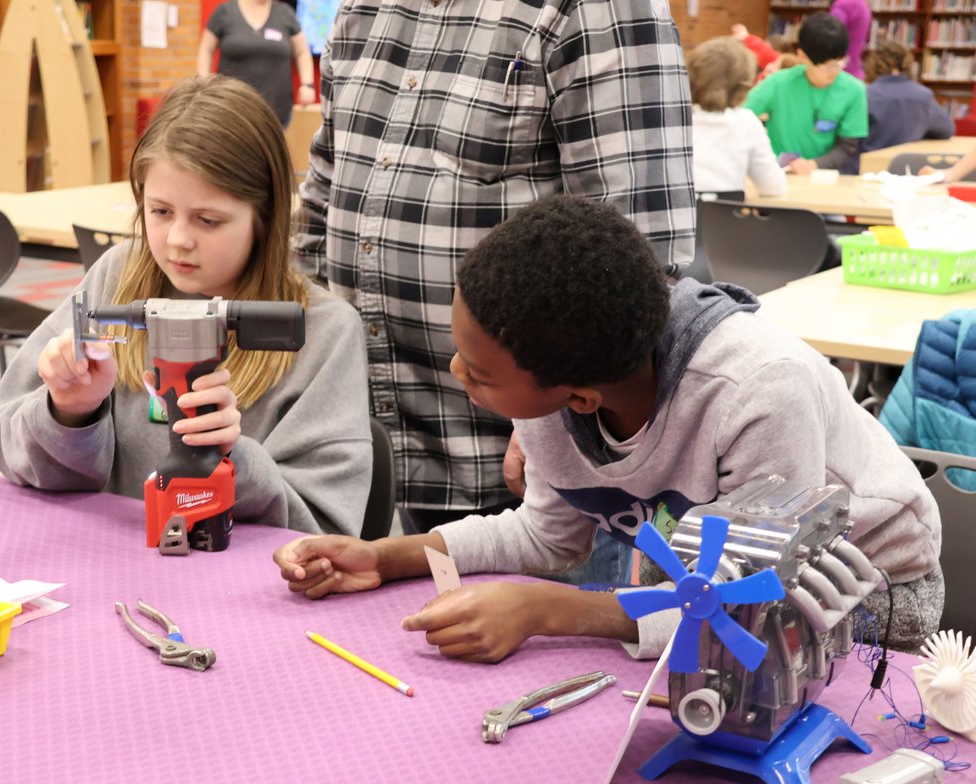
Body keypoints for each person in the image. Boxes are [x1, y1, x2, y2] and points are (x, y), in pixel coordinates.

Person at [274, 194, 943, 663]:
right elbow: (544, 535)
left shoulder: (757, 392)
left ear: (582, 397)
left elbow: (748, 606)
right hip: (708, 580)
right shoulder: (561, 387)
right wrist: (384, 558)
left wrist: (546, 613)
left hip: (870, 589)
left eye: (478, 371)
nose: (456, 371)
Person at [292, 0, 695, 548]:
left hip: (544, 461)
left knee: (576, 628)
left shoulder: (592, 8)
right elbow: (321, 202)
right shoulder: (364, 8)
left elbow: (639, 253)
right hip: (387, 429)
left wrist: (551, 429)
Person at [0, 76, 372, 536]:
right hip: (105, 568)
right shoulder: (116, 278)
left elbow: (327, 532)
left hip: (235, 598)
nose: (178, 240)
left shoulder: (324, 333)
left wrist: (233, 463)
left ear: (266, 219)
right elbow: (3, 445)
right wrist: (69, 413)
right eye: (160, 211)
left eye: (208, 220)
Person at [744, 12, 868, 175]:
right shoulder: (778, 83)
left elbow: (847, 147)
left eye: (840, 63)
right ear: (802, 56)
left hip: (826, 178)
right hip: (777, 175)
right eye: (826, 67)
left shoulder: (854, 90)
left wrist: (814, 164)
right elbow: (738, 117)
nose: (834, 72)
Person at [689, 37, 787, 199]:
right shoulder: (746, 122)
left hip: (678, 220)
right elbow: (774, 187)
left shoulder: (673, 119)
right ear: (744, 86)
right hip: (726, 220)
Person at [196, 0, 316, 127]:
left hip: (276, 113)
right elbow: (206, 49)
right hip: (231, 112)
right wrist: (203, 82)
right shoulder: (225, 11)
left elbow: (302, 52)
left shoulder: (285, 13)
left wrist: (307, 85)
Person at [858, 41, 953, 173]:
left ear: (871, 65)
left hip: (866, 170)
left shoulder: (864, 94)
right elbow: (946, 130)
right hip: (909, 171)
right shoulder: (923, 95)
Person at [830, 0, 872, 80]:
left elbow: (830, 35)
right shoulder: (862, 4)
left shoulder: (843, 4)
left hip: (839, 72)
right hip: (855, 70)